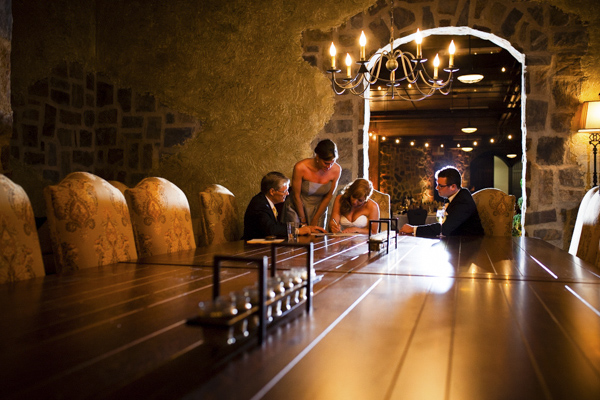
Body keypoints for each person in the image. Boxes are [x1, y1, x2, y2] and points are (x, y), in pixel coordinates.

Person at [400, 166, 484, 237]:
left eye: (440, 186)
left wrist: (413, 229)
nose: (437, 188)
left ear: (453, 187)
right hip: (456, 241)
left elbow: (445, 228)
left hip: (470, 246)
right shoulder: (455, 197)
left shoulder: (463, 201)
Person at [243, 171, 326, 240]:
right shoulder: (259, 204)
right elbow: (271, 229)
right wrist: (297, 231)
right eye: (284, 191)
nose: (287, 193)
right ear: (272, 192)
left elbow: (277, 226)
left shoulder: (266, 201)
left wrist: (304, 227)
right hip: (253, 247)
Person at [283, 139, 341, 229]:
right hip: (298, 208)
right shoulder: (300, 167)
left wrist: (316, 219)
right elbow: (296, 196)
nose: (329, 167)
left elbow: (328, 196)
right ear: (317, 157)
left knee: (317, 238)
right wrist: (303, 221)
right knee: (297, 239)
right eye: (326, 163)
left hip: (319, 210)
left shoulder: (337, 170)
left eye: (332, 163)